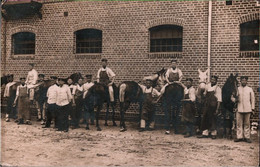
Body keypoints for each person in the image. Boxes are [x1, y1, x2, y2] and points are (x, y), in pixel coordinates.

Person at [234, 76, 255, 143]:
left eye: (245, 80)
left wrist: (252, 108)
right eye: (242, 80)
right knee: (239, 124)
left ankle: (247, 137)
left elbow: (253, 99)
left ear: (246, 81)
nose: (243, 81)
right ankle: (239, 137)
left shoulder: (249, 89)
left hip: (247, 108)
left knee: (247, 124)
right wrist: (234, 99)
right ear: (240, 81)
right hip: (239, 108)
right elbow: (234, 98)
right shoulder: (237, 89)